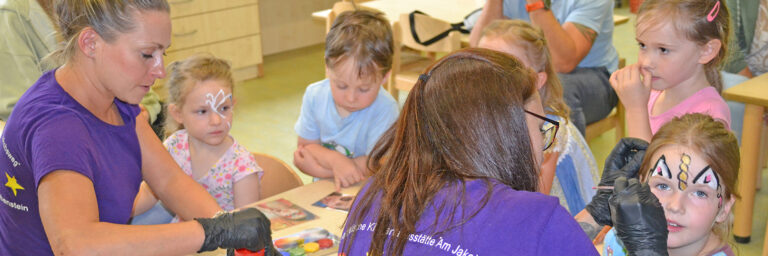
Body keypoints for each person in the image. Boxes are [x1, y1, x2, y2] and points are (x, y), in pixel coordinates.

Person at [0, 0, 276, 255]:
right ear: (90, 43)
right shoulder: (57, 127)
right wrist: (213, 232)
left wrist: (229, 229)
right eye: (147, 54)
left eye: (162, 53)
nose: (161, 70)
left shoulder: (113, 96)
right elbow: (75, 244)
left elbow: (170, 181)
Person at [340, 48, 599, 255]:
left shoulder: (373, 192)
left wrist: (590, 217)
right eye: (541, 129)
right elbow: (533, 235)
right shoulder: (537, 217)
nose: (545, 147)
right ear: (506, 133)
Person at [478, 19, 600, 215]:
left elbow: (536, 198)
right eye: (482, 67)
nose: (490, 80)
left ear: (537, 81)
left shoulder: (550, 130)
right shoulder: (483, 113)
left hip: (544, 212)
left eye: (504, 71)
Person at [0, 0, 165, 135]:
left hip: (125, 124)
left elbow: (134, 71)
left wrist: (145, 111)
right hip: (68, 137)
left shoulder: (94, 6)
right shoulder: (11, 16)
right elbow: (25, 114)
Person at [132, 55, 263, 224]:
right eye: (202, 111)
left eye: (224, 108)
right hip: (183, 238)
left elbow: (247, 228)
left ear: (233, 105)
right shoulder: (174, 146)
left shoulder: (242, 166)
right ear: (178, 113)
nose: (216, 121)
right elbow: (147, 195)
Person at [469, 0, 619, 135]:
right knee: (476, 83)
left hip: (596, 75)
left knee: (553, 92)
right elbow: (478, 52)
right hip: (530, 70)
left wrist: (536, 4)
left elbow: (562, 63)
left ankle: (559, 159)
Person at [602, 113, 739, 256]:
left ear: (724, 208)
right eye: (663, 186)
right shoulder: (618, 242)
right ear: (640, 185)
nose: (675, 206)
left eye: (700, 193)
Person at [293, 10, 399, 190]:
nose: (351, 98)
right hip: (324, 192)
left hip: (366, 193)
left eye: (363, 89)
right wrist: (336, 161)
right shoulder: (314, 95)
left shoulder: (386, 109)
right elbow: (304, 149)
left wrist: (325, 168)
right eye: (341, 86)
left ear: (384, 77)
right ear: (328, 68)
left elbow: (378, 163)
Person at [612, 0, 732, 142]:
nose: (646, 63)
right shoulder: (652, 94)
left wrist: (636, 111)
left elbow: (651, 164)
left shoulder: (709, 119)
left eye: (663, 50)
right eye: (642, 45)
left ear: (706, 51)